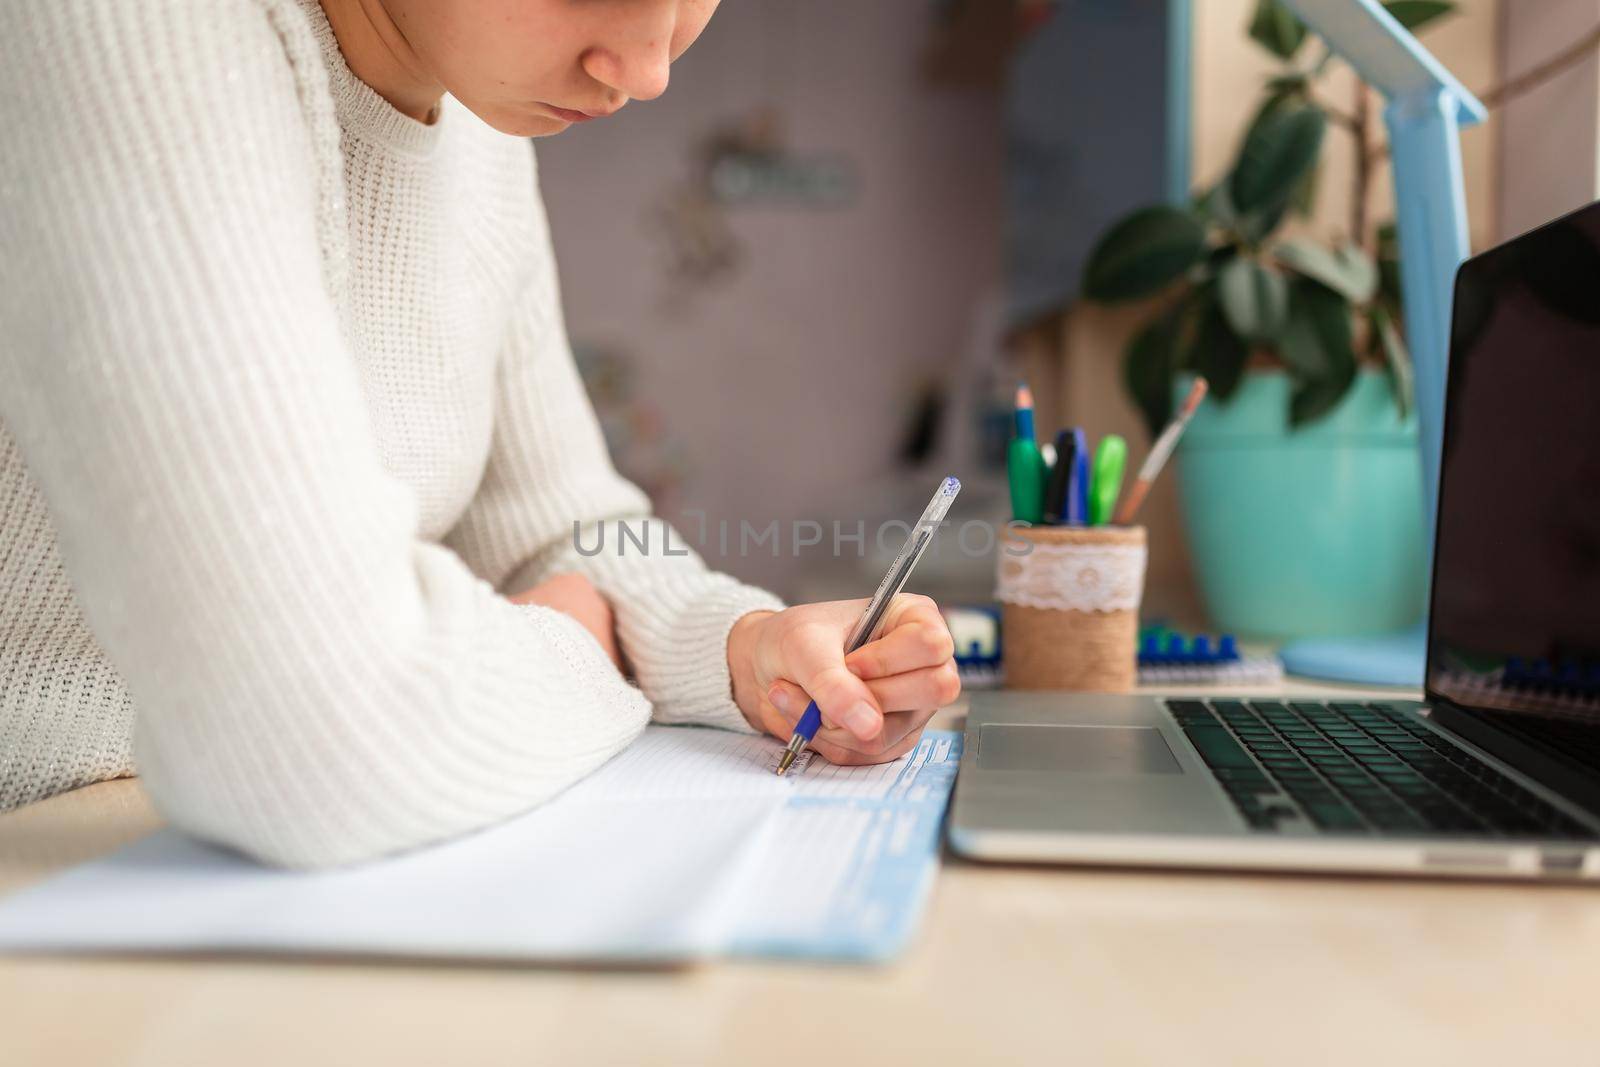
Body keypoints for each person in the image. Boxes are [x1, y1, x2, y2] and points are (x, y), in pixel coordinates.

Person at [0, 0, 961, 868]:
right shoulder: (124, 28)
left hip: (207, 870)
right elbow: (312, 738)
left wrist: (741, 650)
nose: (648, 67)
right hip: (46, 867)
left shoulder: (475, 121)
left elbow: (556, 533)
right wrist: (575, 643)